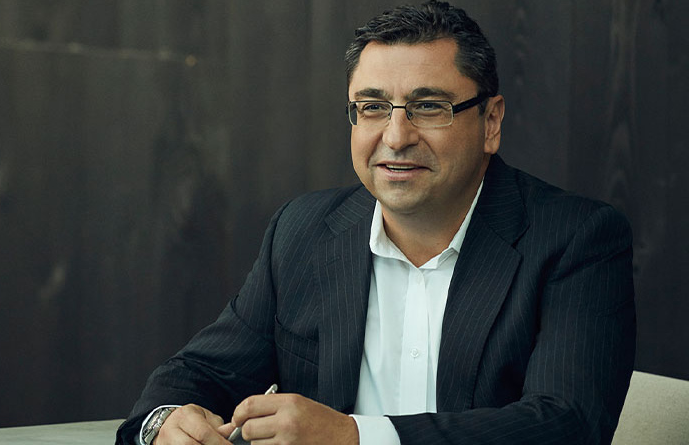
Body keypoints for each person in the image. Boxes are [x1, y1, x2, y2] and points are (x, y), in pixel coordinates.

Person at [116, 2, 636, 444]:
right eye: (372, 106)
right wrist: (165, 423)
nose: (395, 135)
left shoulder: (576, 239)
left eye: (428, 107)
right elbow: (198, 373)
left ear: (491, 121)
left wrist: (357, 436)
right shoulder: (304, 231)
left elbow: (567, 423)